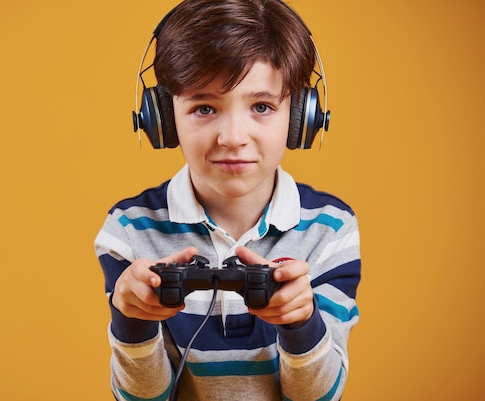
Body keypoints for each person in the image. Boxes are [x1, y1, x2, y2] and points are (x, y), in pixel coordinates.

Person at [94, 0, 361, 400]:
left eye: (262, 107)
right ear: (163, 119)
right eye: (204, 107)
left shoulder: (331, 228)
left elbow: (319, 397)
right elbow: (141, 398)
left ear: (301, 116)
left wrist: (301, 322)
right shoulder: (129, 230)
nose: (233, 137)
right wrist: (132, 320)